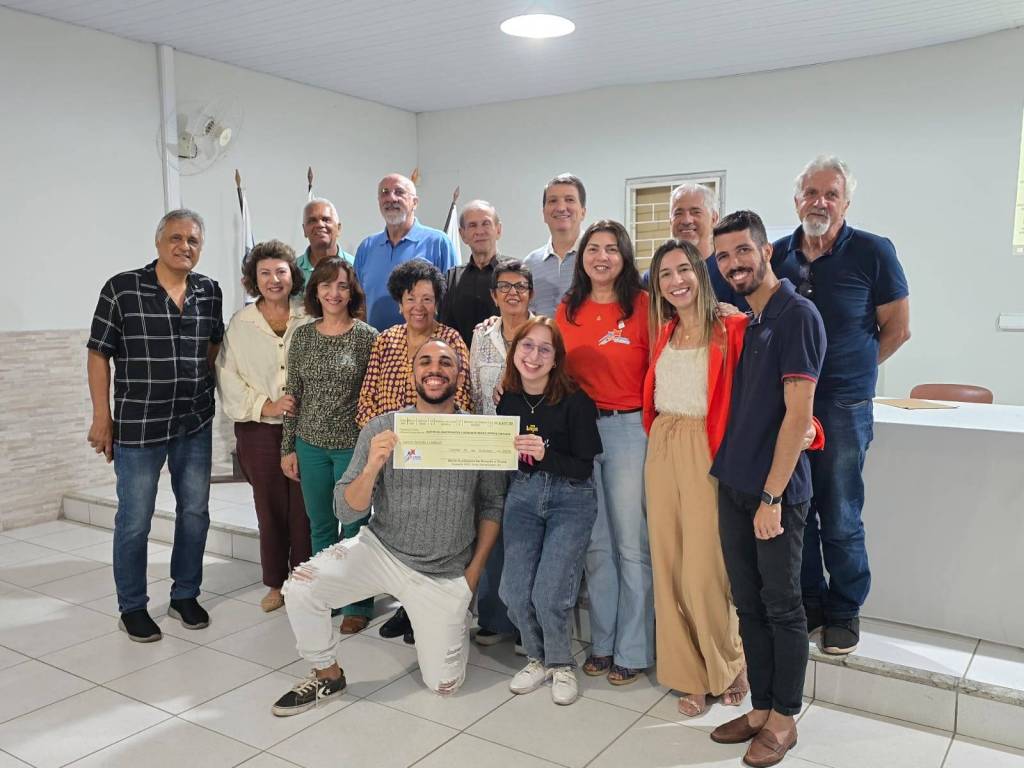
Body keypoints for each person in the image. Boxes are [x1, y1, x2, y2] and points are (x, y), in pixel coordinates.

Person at [271, 339, 505, 716]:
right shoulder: (382, 427)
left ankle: (447, 621)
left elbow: (493, 505)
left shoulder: (477, 433)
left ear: (459, 376)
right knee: (300, 588)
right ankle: (327, 674)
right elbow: (345, 510)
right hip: (381, 550)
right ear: (413, 374)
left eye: (445, 362)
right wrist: (371, 468)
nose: (435, 369)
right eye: (425, 361)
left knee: (444, 685)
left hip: (444, 571)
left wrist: (472, 576)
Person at [773, 156, 910, 655]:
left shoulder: (874, 251)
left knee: (841, 511)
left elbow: (898, 328)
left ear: (846, 203)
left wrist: (856, 371)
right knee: (797, 508)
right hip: (788, 406)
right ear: (797, 200)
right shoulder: (778, 254)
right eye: (811, 193)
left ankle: (845, 608)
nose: (820, 202)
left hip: (843, 407)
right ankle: (810, 600)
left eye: (831, 194)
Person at [709, 210, 826, 768]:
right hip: (734, 482)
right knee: (748, 603)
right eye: (723, 256)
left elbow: (798, 417)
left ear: (766, 251)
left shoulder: (797, 316)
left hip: (773, 493)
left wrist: (772, 498)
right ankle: (760, 707)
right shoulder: (753, 321)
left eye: (742, 251)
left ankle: (784, 719)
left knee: (782, 607)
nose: (733, 263)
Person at [86, 208, 223, 642]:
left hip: (193, 423)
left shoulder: (209, 291)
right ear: (159, 242)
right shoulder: (122, 289)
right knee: (135, 520)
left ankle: (185, 595)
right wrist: (102, 417)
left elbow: (212, 346)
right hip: (139, 425)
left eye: (193, 241)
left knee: (195, 513)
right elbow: (98, 353)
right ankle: (132, 606)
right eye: (176, 238)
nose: (185, 246)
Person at [642, 238, 749, 715]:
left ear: (700, 274)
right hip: (663, 443)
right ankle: (689, 674)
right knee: (667, 564)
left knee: (705, 568)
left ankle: (729, 661)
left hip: (707, 447)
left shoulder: (732, 327)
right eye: (665, 274)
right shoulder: (664, 332)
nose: (676, 281)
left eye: (683, 269)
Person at [556, 219, 654, 686]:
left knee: (631, 545)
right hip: (580, 432)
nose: (602, 257)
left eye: (612, 249)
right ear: (582, 258)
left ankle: (633, 649)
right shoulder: (567, 309)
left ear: (624, 256)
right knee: (596, 546)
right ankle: (603, 642)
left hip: (629, 430)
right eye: (593, 248)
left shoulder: (644, 306)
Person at [356, 258, 471, 642]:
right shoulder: (385, 340)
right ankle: (405, 603)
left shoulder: (451, 340)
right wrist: (379, 440)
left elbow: (463, 398)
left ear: (437, 301)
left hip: (437, 457)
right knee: (398, 531)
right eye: (410, 298)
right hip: (390, 457)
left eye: (427, 298)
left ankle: (422, 611)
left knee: (430, 533)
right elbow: (368, 399)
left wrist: (433, 441)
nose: (418, 306)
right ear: (399, 302)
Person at [497, 317, 602, 705]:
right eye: (527, 346)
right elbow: (503, 455)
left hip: (570, 497)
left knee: (548, 592)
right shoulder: (507, 400)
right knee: (512, 590)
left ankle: (561, 663)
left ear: (556, 359)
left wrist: (546, 455)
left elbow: (584, 467)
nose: (534, 356)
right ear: (515, 352)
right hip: (523, 495)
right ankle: (537, 658)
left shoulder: (576, 401)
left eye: (545, 349)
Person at [280, 258, 378, 634]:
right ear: (315, 292)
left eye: (342, 285)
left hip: (353, 448)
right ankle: (328, 593)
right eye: (326, 285)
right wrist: (288, 447)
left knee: (354, 528)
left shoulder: (367, 336)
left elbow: (374, 396)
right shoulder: (303, 336)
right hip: (310, 446)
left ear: (352, 292)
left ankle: (358, 603)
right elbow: (293, 395)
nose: (334, 293)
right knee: (320, 525)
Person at [216, 240, 311, 613]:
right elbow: (228, 377)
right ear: (253, 280)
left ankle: (303, 581)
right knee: (269, 509)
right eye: (265, 273)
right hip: (259, 431)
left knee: (305, 510)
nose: (274, 280)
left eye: (281, 271)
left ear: (292, 275)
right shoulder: (241, 324)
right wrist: (265, 405)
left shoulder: (309, 315)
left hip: (307, 430)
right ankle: (275, 583)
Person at [468, 259, 534, 650]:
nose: (513, 293)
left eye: (520, 286)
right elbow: (475, 389)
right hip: (490, 446)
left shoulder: (544, 331)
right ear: (494, 295)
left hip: (531, 447)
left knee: (525, 533)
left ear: (530, 293)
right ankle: (493, 619)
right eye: (505, 287)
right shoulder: (481, 334)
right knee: (491, 529)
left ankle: (527, 625)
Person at [354, 173, 458, 331]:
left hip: (426, 344)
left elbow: (451, 301)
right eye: (384, 192)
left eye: (399, 192)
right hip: (376, 344)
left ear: (414, 202)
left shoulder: (438, 243)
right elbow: (358, 302)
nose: (391, 198)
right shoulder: (367, 247)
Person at [668, 183, 748, 311]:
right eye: (678, 213)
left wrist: (736, 316)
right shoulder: (654, 278)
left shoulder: (733, 271)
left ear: (714, 218)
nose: (686, 220)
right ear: (670, 221)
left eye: (695, 212)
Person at [440, 200, 503, 348]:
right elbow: (444, 328)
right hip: (459, 360)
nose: (479, 231)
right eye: (472, 225)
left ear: (498, 230)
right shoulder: (451, 278)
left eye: (486, 223)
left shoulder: (515, 274)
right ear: (463, 235)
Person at [524, 174, 587, 316]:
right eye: (553, 201)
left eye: (569, 200)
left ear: (583, 212)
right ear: (544, 214)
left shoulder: (597, 259)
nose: (561, 208)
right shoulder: (530, 264)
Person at [296, 198, 353, 285]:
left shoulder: (355, 267)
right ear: (304, 230)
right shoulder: (293, 270)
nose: (320, 224)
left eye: (326, 219)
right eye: (312, 220)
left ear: (338, 228)